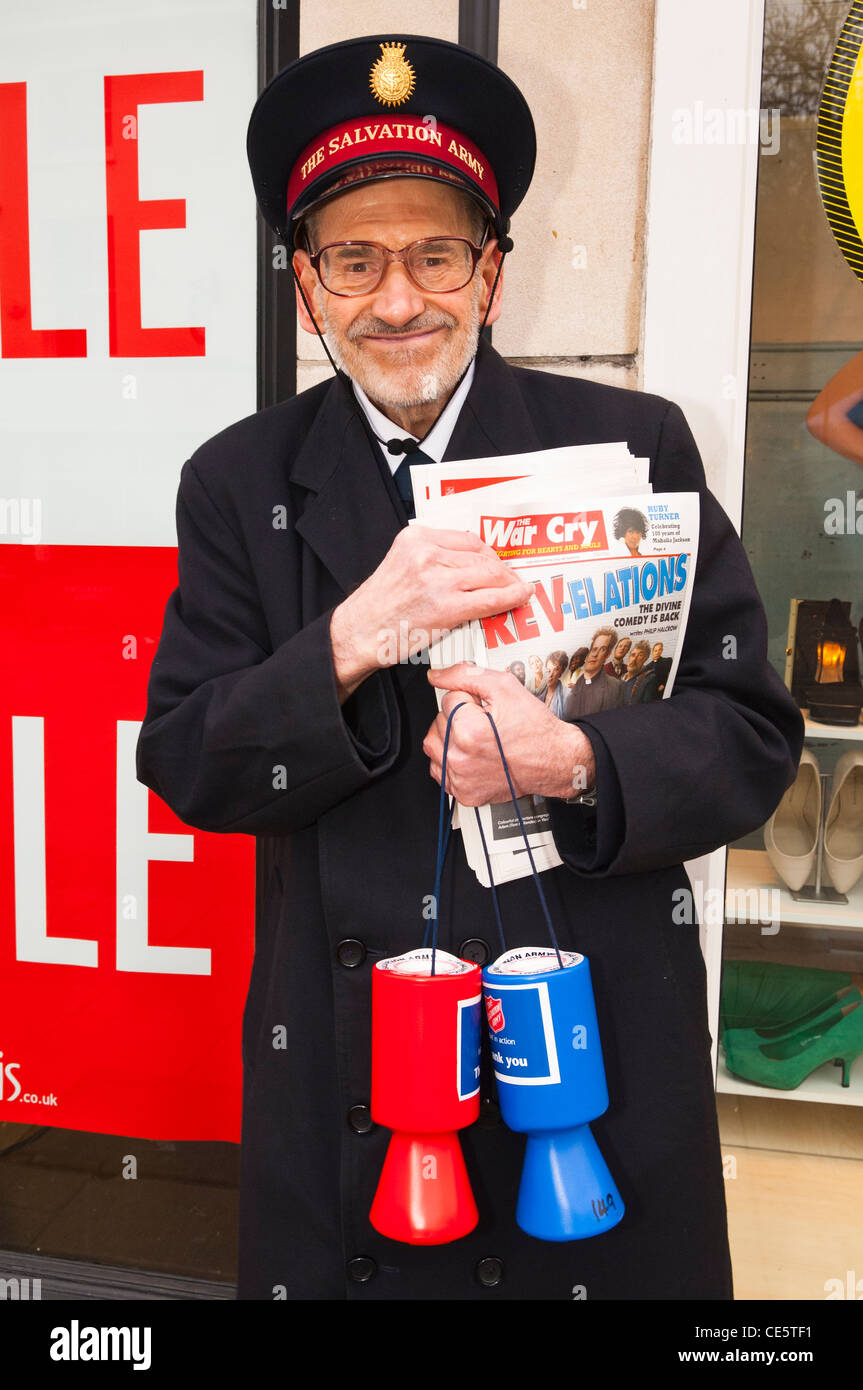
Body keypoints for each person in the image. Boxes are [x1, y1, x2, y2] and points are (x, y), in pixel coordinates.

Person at [136, 33, 803, 1301]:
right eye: (354, 259)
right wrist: (348, 638)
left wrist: (579, 758)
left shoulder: (629, 445)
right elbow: (186, 762)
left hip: (592, 1030)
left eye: (436, 254)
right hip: (349, 1068)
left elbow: (749, 737)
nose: (398, 301)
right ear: (305, 290)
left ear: (491, 278)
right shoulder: (235, 481)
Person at [562, 627, 625, 720]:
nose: (595, 654)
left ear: (607, 654)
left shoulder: (615, 687)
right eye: (594, 649)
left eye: (602, 649)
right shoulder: (575, 684)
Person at [542, 650, 569, 719]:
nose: (550, 675)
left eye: (556, 670)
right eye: (548, 670)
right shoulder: (540, 696)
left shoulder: (567, 695)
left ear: (561, 673)